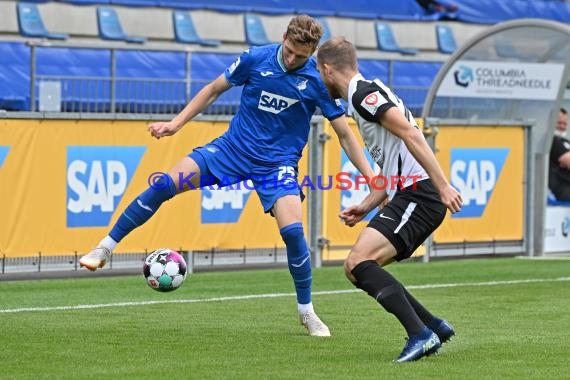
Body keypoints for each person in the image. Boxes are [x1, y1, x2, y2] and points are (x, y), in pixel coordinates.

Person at [79, 16, 374, 337]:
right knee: (164, 184)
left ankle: (307, 312)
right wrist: (175, 124)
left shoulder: (317, 80)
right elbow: (212, 89)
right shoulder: (255, 59)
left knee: (293, 233)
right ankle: (105, 247)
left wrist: (372, 177)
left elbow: (345, 134)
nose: (292, 59)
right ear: (284, 37)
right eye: (289, 50)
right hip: (232, 150)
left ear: (313, 54)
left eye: (300, 56)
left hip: (277, 166)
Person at [316, 37, 463, 362]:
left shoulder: (361, 95)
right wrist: (367, 204)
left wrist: (442, 186)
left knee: (357, 263)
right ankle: (431, 326)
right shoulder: (364, 94)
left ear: (327, 69)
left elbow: (413, 135)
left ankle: (420, 334)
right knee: (361, 267)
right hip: (412, 192)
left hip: (420, 194)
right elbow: (393, 160)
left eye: (318, 70)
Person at [549, 108, 570, 201]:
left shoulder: (566, 141)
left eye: (564, 124)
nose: (562, 126)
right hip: (562, 190)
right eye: (559, 123)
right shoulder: (552, 140)